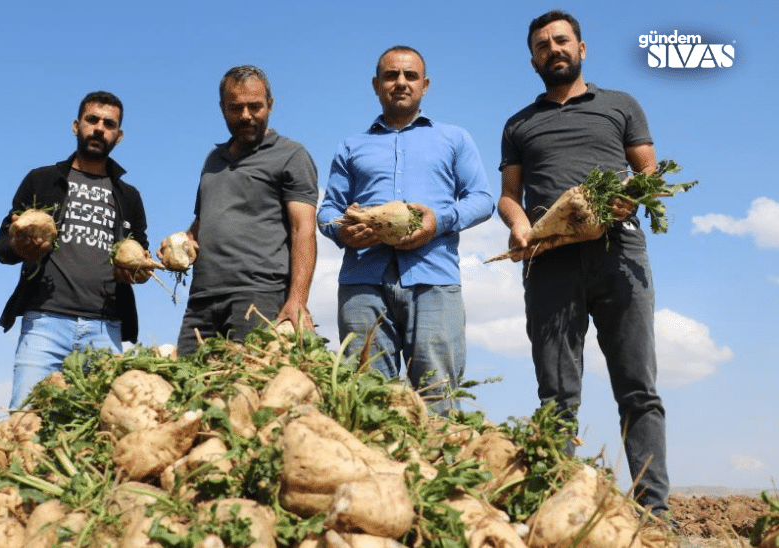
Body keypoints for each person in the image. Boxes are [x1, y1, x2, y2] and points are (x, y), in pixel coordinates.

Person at [498, 10, 670, 514]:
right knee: (557, 392)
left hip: (620, 253)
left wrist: (631, 197)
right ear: (532, 58)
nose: (554, 49)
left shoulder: (620, 105)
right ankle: (560, 506)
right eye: (543, 45)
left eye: (562, 41)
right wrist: (517, 223)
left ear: (582, 48)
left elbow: (649, 172)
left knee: (638, 386)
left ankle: (652, 513)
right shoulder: (518, 124)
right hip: (549, 260)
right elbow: (509, 196)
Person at [317, 46, 495, 414]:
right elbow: (328, 212)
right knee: (367, 399)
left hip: (434, 281)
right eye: (391, 75)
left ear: (425, 85)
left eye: (410, 76)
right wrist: (342, 232)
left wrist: (439, 221)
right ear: (376, 85)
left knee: (437, 399)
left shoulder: (454, 139)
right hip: (362, 283)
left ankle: (432, 470)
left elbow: (482, 199)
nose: (400, 83)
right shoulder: (352, 146)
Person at [0, 91, 152, 409]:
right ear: (76, 125)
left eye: (109, 124)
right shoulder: (41, 181)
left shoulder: (129, 196)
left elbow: (141, 257)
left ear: (118, 136)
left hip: (104, 330)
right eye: (92, 119)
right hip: (44, 324)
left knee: (100, 430)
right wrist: (19, 245)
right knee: (25, 425)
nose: (99, 128)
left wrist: (140, 271)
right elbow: (2, 246)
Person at [172, 65, 319, 355]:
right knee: (189, 390)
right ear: (222, 108)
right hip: (202, 300)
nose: (246, 116)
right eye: (235, 108)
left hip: (258, 297)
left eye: (255, 106)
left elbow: (304, 229)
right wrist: (182, 242)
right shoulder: (213, 160)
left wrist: (298, 299)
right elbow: (204, 223)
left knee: (249, 389)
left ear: (271, 105)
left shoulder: (291, 155)